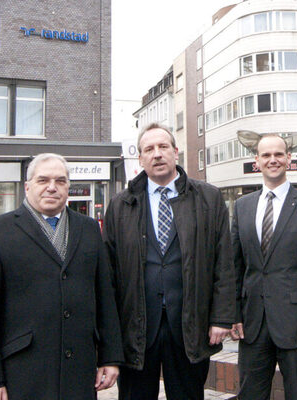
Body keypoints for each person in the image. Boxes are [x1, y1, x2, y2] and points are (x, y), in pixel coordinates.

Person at [0, 154, 122, 400]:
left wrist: (110, 356)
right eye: (43, 180)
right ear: (28, 186)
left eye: (60, 181)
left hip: (79, 371)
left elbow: (104, 295)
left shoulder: (89, 228)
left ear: (69, 187)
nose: (52, 187)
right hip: (24, 372)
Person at [104, 123, 236, 400]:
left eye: (163, 147)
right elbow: (109, 272)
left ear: (176, 152)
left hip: (189, 325)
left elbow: (223, 262)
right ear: (140, 159)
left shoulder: (208, 198)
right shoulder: (121, 204)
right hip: (137, 328)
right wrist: (111, 333)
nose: (157, 154)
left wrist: (222, 317)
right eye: (149, 149)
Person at [231, 134, 297, 400]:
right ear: (257, 161)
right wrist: (233, 315)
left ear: (289, 158)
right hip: (253, 325)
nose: (272, 160)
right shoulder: (242, 207)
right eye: (266, 155)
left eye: (278, 154)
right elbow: (235, 266)